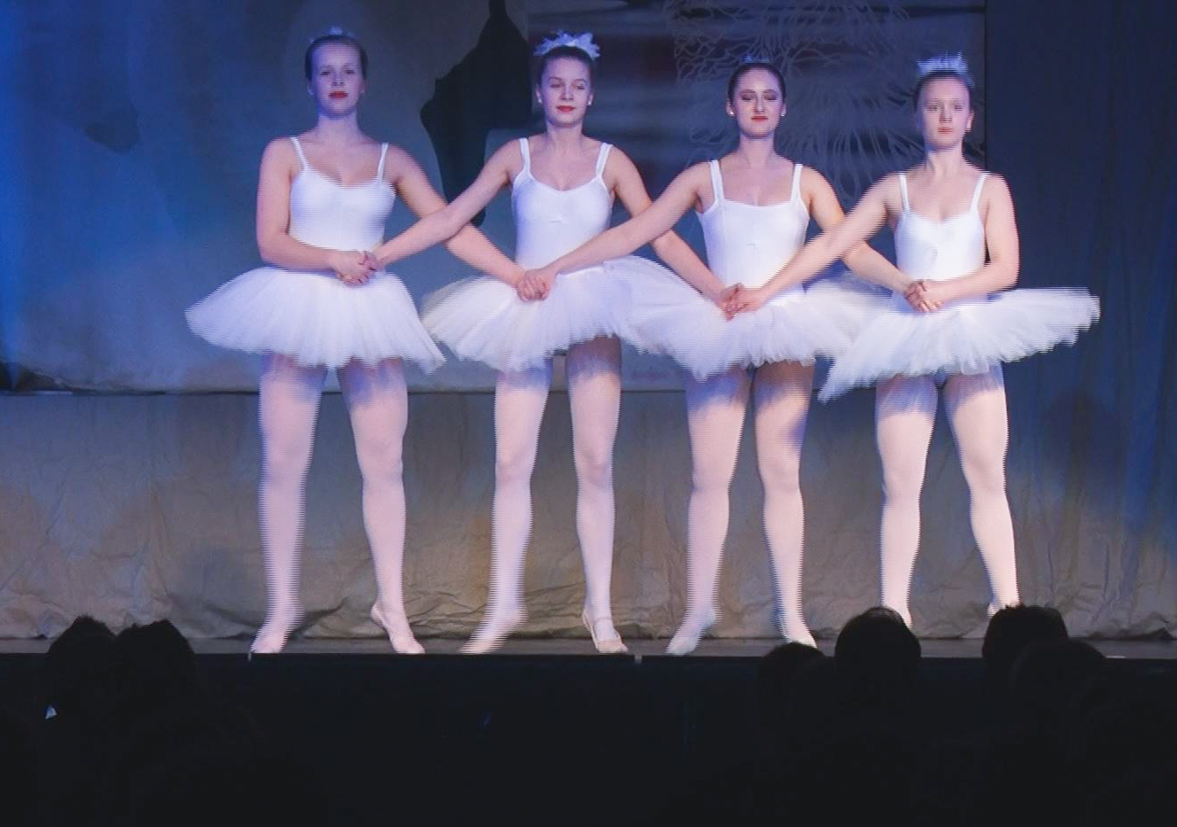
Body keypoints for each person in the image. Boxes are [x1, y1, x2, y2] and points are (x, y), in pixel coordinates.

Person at [518, 59, 911, 654]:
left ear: (784, 108)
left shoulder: (806, 181)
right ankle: (698, 610)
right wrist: (557, 267)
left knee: (782, 473)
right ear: (730, 107)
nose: (758, 105)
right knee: (709, 475)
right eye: (747, 97)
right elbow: (641, 231)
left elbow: (847, 248)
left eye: (769, 97)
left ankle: (790, 613)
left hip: (784, 323)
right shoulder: (704, 177)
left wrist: (904, 284)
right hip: (720, 323)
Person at [375, 32, 722, 654]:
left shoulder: (612, 162)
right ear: (539, 93)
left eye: (577, 86)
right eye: (556, 84)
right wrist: (381, 255)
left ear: (592, 96)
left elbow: (658, 233)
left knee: (595, 463)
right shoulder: (515, 156)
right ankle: (503, 604)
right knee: (512, 462)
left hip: (592, 305)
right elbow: (451, 219)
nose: (566, 94)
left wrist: (715, 289)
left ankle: (600, 612)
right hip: (527, 302)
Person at [724, 54, 1099, 628]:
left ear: (970, 119)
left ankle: (1008, 603)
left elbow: (1006, 267)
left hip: (969, 334)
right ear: (918, 116)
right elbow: (835, 245)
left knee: (987, 476)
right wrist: (767, 291)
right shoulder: (894, 190)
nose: (944, 116)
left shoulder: (989, 188)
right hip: (907, 339)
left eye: (955, 107)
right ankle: (894, 609)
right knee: (900, 484)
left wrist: (944, 290)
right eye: (933, 107)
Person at [186, 29, 522, 654]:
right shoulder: (285, 153)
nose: (337, 80)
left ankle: (392, 606)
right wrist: (333, 258)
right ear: (310, 83)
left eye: (347, 71)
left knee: (385, 462)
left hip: (368, 308)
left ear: (364, 83)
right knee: (284, 460)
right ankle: (281, 607)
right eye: (326, 71)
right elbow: (271, 240)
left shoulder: (392, 160)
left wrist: (513, 273)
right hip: (298, 303)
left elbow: (448, 225)